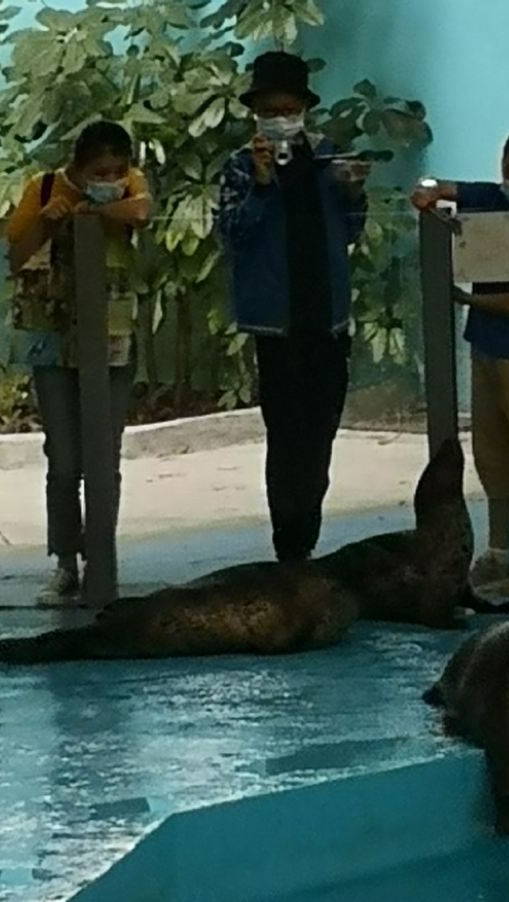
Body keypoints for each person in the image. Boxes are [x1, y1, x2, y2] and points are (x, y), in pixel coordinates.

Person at [215, 51, 368, 562]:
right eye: (269, 110)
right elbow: (231, 236)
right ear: (255, 113)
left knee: (321, 433)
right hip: (276, 326)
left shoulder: (328, 158)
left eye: (288, 109)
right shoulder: (240, 166)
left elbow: (352, 231)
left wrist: (353, 193)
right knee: (285, 437)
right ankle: (289, 546)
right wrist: (261, 186)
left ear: (304, 109)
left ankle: (309, 532)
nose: (280, 119)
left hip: (327, 319)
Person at [410, 126, 509, 596]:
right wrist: (426, 192)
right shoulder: (486, 199)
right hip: (484, 348)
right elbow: (438, 187)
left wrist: (466, 299)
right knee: (492, 455)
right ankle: (498, 553)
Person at [5, 121, 152, 606]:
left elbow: (142, 211)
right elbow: (15, 252)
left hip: (112, 335)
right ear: (76, 165)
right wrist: (48, 221)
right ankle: (65, 560)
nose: (110, 178)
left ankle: (101, 560)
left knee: (104, 457)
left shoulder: (129, 186)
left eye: (117, 170)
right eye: (98, 172)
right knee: (65, 459)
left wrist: (98, 208)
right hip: (53, 338)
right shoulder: (44, 187)